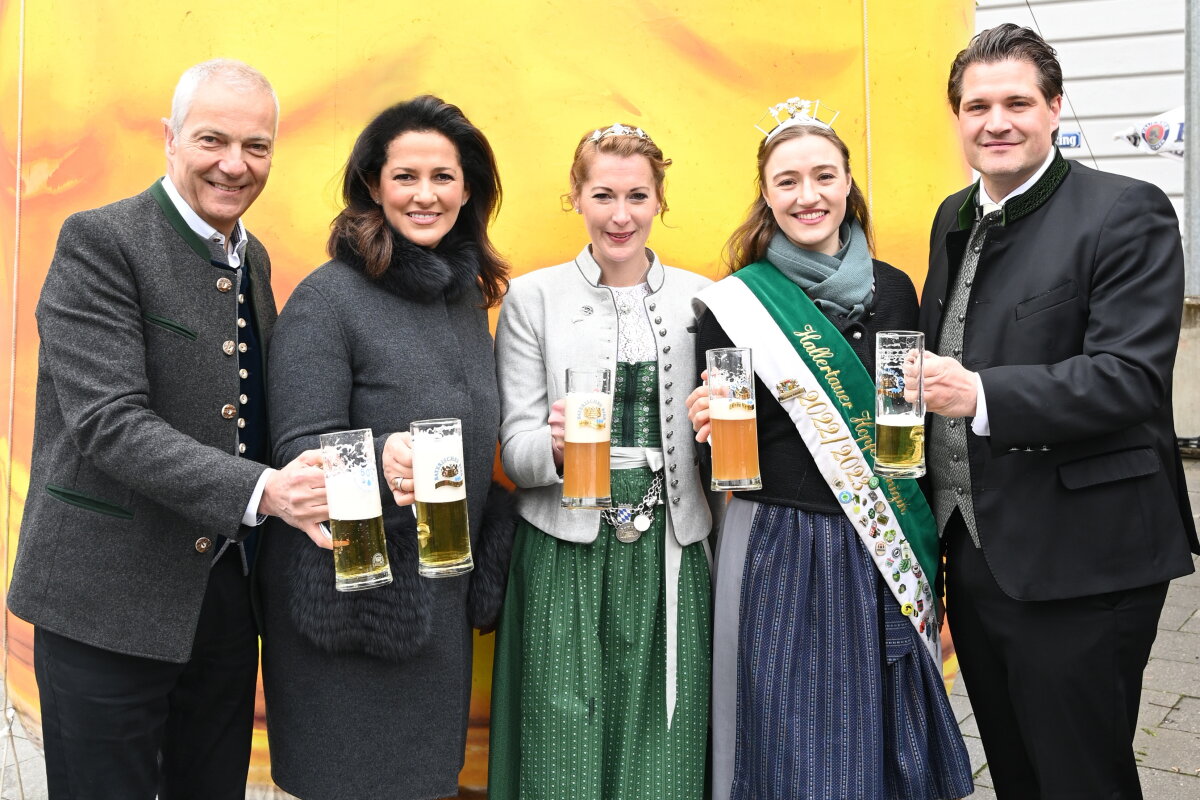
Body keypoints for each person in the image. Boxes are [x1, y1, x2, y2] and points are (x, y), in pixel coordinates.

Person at [6, 59, 330, 800]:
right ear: (169, 140)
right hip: (102, 599)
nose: (234, 164)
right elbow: (108, 423)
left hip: (219, 604)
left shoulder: (254, 259)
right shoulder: (99, 239)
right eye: (212, 139)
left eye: (256, 146)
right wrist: (266, 492)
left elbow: (253, 409)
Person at [913, 24, 1199, 799]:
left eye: (1016, 101)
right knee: (1016, 770)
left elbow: (1130, 378)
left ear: (1055, 107)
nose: (995, 121)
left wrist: (981, 393)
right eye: (977, 105)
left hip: (1086, 558)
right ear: (958, 116)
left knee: (1081, 777)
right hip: (976, 555)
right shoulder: (951, 214)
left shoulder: (1125, 210)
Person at [686, 99, 974, 800]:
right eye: (787, 181)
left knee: (877, 727)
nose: (807, 196)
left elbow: (914, 428)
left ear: (849, 185)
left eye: (823, 176)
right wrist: (706, 423)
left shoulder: (898, 290)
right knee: (788, 732)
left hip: (880, 533)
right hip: (780, 539)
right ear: (767, 195)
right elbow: (724, 463)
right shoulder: (734, 303)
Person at [258, 95, 514, 800]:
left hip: (440, 597)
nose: (425, 195)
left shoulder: (464, 302)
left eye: (443, 177)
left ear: (469, 190)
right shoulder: (326, 299)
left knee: (427, 785)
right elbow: (298, 451)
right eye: (405, 177)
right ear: (373, 184)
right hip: (353, 610)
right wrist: (382, 455)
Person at [488, 124, 717, 799]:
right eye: (604, 195)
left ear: (659, 202)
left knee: (666, 735)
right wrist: (555, 448)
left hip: (672, 538)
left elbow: (729, 442)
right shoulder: (532, 299)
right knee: (564, 728)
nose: (621, 215)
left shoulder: (704, 298)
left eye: (638, 196)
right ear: (577, 198)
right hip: (565, 543)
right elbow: (515, 449)